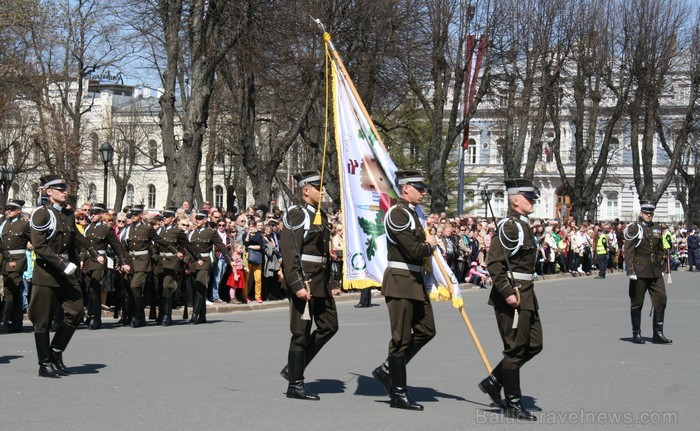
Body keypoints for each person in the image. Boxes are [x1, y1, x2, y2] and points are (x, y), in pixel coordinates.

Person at [371, 169, 437, 411]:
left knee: (427, 330)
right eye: (418, 188)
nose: (423, 192)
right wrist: (429, 246)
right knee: (401, 339)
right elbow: (414, 251)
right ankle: (398, 394)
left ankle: (388, 369)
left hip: (415, 281)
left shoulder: (414, 214)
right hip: (400, 281)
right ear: (405, 188)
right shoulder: (397, 215)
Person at [478, 178, 542, 421]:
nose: (533, 200)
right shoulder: (510, 226)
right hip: (513, 294)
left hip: (526, 292)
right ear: (516, 200)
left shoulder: (522, 225)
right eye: (529, 197)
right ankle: (513, 403)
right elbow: (494, 263)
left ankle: (495, 381)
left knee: (534, 344)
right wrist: (507, 294)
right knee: (515, 349)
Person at [27, 174, 103, 377]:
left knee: (77, 311)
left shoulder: (68, 215)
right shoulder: (41, 214)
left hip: (66, 273)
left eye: (65, 189)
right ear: (49, 192)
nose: (64, 192)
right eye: (59, 189)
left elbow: (78, 238)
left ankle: (55, 351)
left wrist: (95, 254)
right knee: (42, 320)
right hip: (47, 273)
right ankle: (44, 364)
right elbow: (40, 246)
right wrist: (62, 264)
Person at [279, 170, 339, 401]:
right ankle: (295, 384)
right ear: (305, 190)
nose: (321, 191)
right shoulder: (297, 214)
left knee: (329, 325)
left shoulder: (320, 215)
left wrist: (331, 281)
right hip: (304, 280)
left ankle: (295, 367)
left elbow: (325, 253)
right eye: (317, 187)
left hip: (321, 280)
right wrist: (296, 284)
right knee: (301, 332)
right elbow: (290, 251)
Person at [121, 204, 179, 328]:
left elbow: (159, 240)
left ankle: (138, 315)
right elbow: (124, 247)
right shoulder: (128, 229)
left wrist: (174, 251)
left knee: (134, 286)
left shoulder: (147, 228)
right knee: (132, 289)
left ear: (141, 215)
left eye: (136, 214)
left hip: (143, 262)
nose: (133, 216)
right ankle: (139, 316)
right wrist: (124, 262)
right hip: (131, 263)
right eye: (132, 214)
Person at [623, 201, 672, 345]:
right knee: (637, 302)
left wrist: (662, 266)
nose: (648, 215)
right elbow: (629, 250)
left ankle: (658, 333)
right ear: (641, 213)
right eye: (646, 213)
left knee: (661, 299)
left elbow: (660, 248)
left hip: (655, 270)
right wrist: (630, 270)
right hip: (639, 270)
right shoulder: (634, 228)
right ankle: (636, 333)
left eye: (651, 213)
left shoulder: (657, 228)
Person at [80, 203, 130, 329]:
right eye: (91, 213)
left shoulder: (106, 229)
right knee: (89, 288)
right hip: (88, 261)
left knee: (94, 287)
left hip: (99, 261)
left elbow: (117, 246)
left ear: (101, 214)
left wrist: (123, 261)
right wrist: (81, 259)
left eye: (95, 213)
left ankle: (96, 318)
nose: (92, 215)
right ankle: (91, 315)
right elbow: (83, 245)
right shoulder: (88, 227)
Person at [186, 209, 235, 324]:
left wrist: (230, 260)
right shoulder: (191, 232)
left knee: (199, 287)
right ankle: (202, 315)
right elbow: (188, 249)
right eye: (196, 218)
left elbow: (221, 246)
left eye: (200, 219)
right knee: (198, 289)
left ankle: (195, 314)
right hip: (193, 263)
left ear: (205, 220)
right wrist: (185, 263)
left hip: (204, 262)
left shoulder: (210, 232)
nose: (197, 220)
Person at [156, 207, 199, 325]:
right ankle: (161, 313)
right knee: (160, 288)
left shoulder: (177, 231)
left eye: (167, 217)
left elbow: (186, 246)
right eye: (163, 216)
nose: (164, 218)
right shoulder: (159, 231)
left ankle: (167, 315)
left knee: (167, 286)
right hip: (159, 261)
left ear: (173, 219)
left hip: (171, 261)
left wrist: (197, 257)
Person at [0, 199, 31, 334]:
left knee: (9, 289)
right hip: (5, 260)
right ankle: (17, 322)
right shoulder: (4, 223)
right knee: (15, 291)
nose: (8, 211)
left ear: (19, 211)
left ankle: (4, 322)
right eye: (7, 209)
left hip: (17, 260)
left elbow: (35, 240)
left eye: (11, 209)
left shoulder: (23, 225)